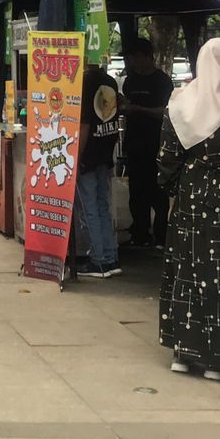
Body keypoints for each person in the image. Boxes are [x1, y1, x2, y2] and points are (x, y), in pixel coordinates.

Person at [157, 38, 220, 382]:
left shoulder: (180, 104)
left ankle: (183, 352)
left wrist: (175, 191)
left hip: (191, 195)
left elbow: (166, 160)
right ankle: (219, 360)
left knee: (187, 269)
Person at [120, 37, 174, 249]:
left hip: (156, 144)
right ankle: (140, 233)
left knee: (158, 193)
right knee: (136, 192)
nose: (133, 63)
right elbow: (127, 104)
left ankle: (161, 236)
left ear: (145, 56)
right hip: (134, 144)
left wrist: (139, 110)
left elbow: (166, 112)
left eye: (134, 58)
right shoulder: (130, 80)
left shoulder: (162, 81)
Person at [75, 59, 122, 278]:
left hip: (89, 154)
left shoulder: (83, 83)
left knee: (89, 208)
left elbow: (84, 125)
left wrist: (78, 155)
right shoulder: (110, 81)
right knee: (103, 206)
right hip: (105, 151)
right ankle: (110, 257)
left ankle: (99, 260)